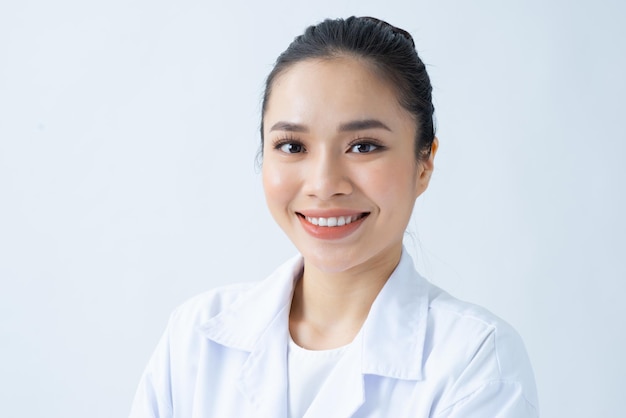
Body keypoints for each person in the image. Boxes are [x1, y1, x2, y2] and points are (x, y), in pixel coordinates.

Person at [129, 16, 539, 418]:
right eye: (292, 147)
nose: (324, 184)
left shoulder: (476, 364)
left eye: (363, 146)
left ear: (424, 164)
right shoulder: (195, 339)